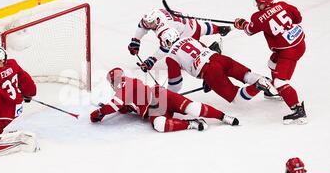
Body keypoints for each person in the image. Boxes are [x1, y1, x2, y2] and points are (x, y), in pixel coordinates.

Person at [90, 67, 240, 133]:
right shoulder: (124, 92)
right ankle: (191, 124)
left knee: (192, 108)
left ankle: (223, 116)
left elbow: (116, 103)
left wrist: (100, 112)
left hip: (160, 97)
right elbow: (123, 106)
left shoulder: (125, 82)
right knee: (160, 125)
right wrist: (106, 109)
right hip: (154, 109)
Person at [234, 0, 307, 124]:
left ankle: (298, 110)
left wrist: (242, 23)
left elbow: (249, 30)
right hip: (298, 42)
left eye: (258, 4)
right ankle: (277, 92)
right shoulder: (283, 5)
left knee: (280, 82)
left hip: (288, 52)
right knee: (272, 63)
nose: (257, 6)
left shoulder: (258, 17)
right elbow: (298, 19)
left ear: (263, 4)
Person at [159, 28, 277, 104]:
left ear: (167, 42)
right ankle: (274, 88)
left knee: (237, 98)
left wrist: (167, 96)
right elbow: (204, 51)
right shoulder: (189, 39)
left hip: (210, 71)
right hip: (220, 58)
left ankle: (257, 86)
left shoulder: (171, 56)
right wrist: (207, 80)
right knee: (246, 75)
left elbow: (176, 84)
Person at [128, 8, 231, 72]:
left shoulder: (163, 29)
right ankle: (218, 28)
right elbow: (142, 25)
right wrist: (136, 40)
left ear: (157, 21)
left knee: (189, 55)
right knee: (202, 28)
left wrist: (151, 60)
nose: (147, 25)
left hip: (187, 33)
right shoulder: (157, 13)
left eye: (150, 24)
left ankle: (213, 50)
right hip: (188, 22)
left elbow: (166, 48)